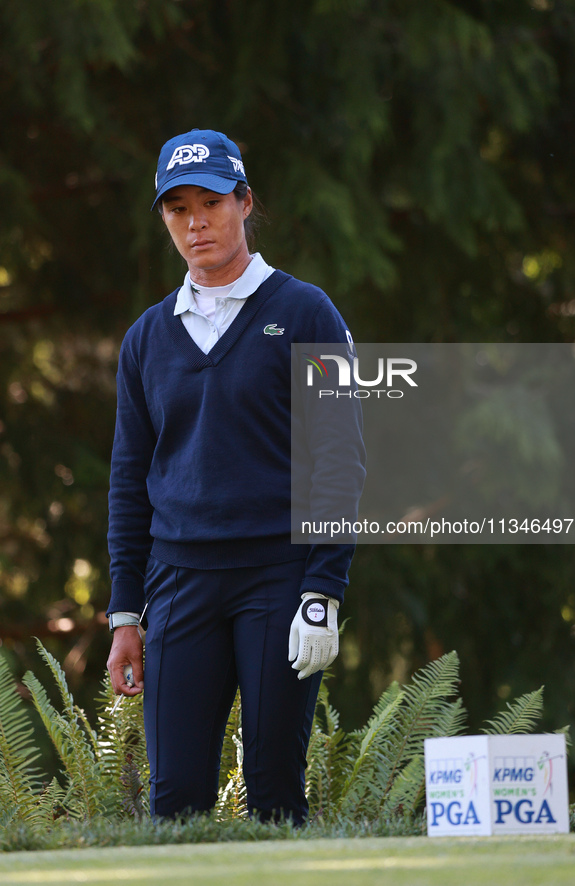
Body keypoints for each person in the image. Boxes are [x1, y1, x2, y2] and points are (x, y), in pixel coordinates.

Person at [106, 128, 365, 824]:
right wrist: (125, 614)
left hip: (276, 578)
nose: (196, 222)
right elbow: (130, 481)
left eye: (212, 202)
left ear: (245, 202)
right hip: (177, 583)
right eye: (177, 208)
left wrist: (323, 588)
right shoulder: (146, 338)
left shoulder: (307, 312)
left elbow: (341, 458)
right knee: (174, 802)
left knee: (275, 791)